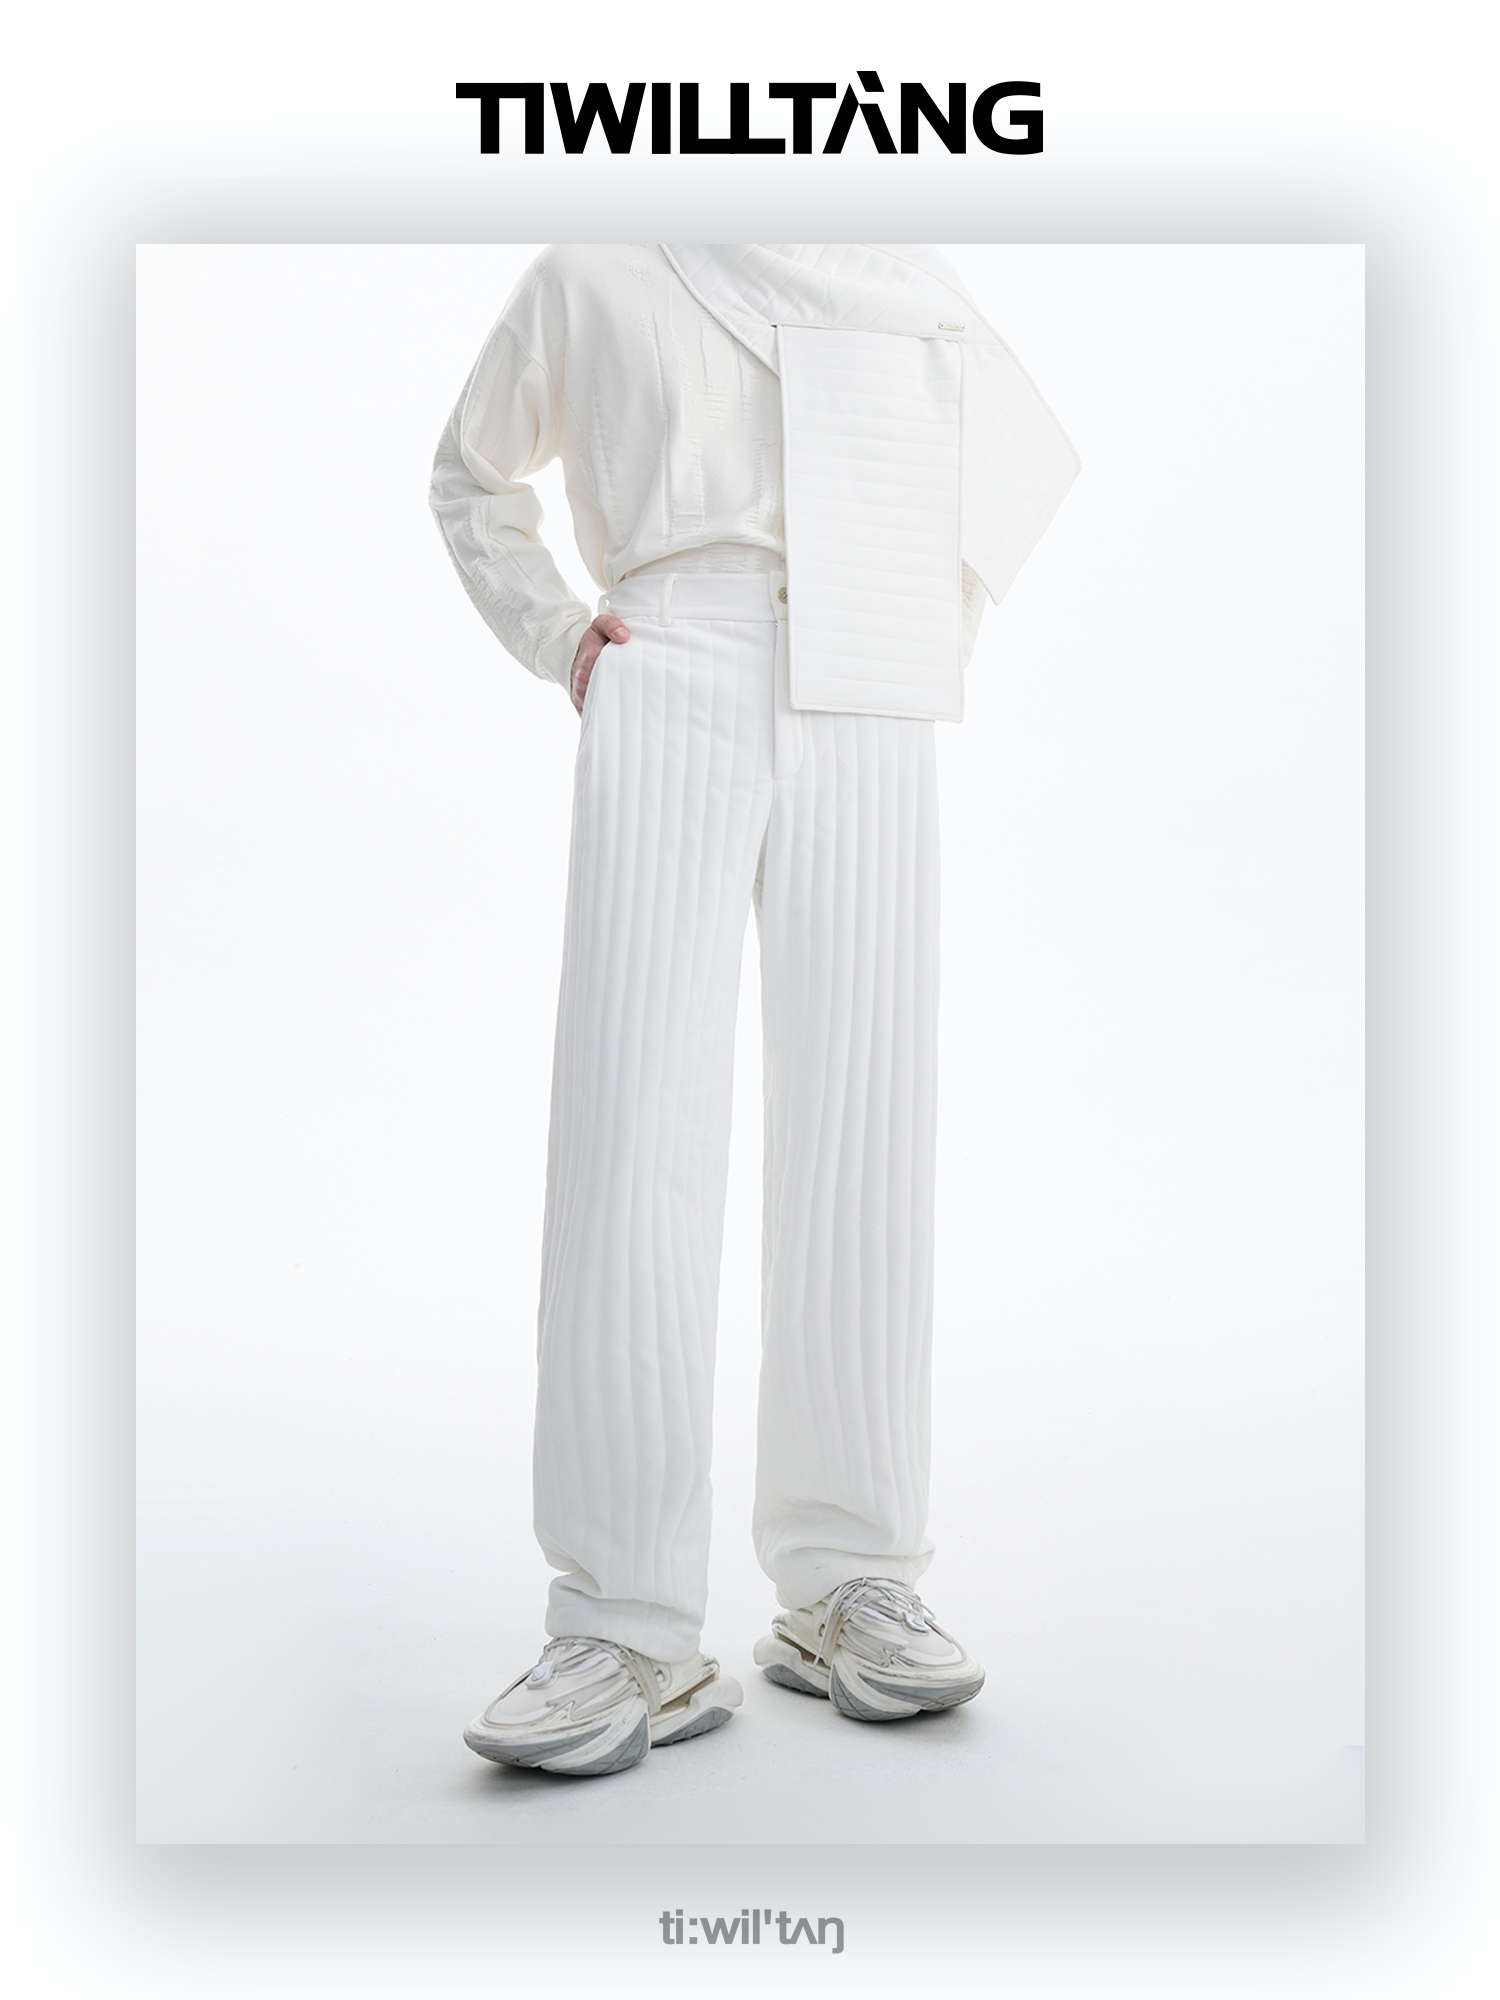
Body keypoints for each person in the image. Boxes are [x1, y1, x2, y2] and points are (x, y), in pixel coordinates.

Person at [429, 243, 1079, 1778]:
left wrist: (926, 611)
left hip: (871, 664)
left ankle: (853, 1579)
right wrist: (557, 631)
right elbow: (470, 475)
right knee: (631, 1120)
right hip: (670, 649)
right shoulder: (595, 259)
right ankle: (623, 1620)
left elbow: (1003, 450)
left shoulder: (881, 252)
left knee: (866, 1116)